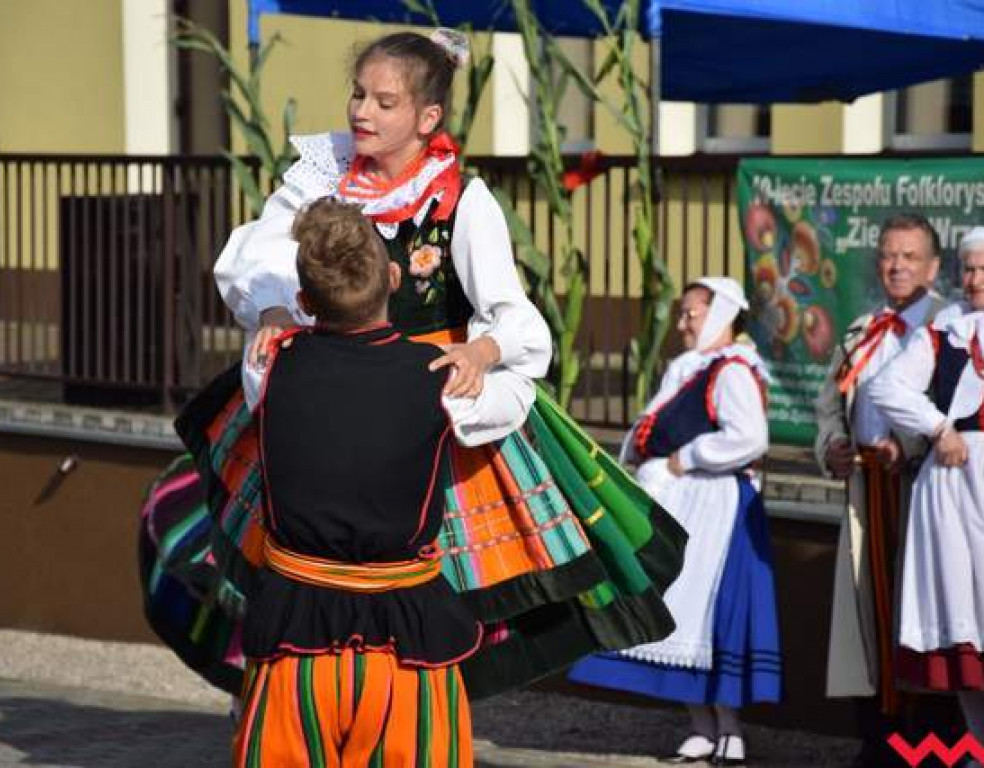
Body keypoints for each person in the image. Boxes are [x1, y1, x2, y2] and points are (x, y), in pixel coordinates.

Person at [143, 28, 686, 702]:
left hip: (421, 412)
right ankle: (307, 699)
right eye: (358, 94)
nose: (361, 112)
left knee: (426, 587)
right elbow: (254, 259)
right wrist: (276, 310)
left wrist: (481, 350)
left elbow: (514, 316)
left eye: (384, 101)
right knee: (307, 561)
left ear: (428, 118)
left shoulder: (461, 199)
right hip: (329, 394)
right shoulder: (321, 179)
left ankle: (410, 712)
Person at [233, 197, 506, 765]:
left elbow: (245, 265)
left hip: (295, 637)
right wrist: (483, 349)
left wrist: (272, 315)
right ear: (395, 278)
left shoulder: (267, 365)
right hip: (405, 648)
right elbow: (524, 385)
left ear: (305, 301)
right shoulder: (444, 379)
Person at [568, 277, 781, 766]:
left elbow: (750, 437)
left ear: (722, 316)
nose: (683, 323)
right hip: (681, 504)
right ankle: (701, 725)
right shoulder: (689, 368)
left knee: (711, 616)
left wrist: (687, 458)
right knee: (676, 611)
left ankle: (730, 727)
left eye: (693, 314)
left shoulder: (732, 370)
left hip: (717, 510)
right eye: (683, 313)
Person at [814, 214, 948, 766]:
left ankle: (936, 742)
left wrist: (910, 447)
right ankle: (881, 740)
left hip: (922, 491)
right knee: (868, 617)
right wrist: (834, 445)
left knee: (925, 614)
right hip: (865, 491)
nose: (897, 266)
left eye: (910, 256)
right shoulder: (861, 329)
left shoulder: (950, 325)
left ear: (934, 267)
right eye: (889, 255)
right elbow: (827, 405)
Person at [868, 227, 984, 748]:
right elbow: (887, 385)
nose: (975, 279)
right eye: (970, 268)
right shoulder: (944, 329)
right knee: (960, 616)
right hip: (951, 488)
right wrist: (939, 428)